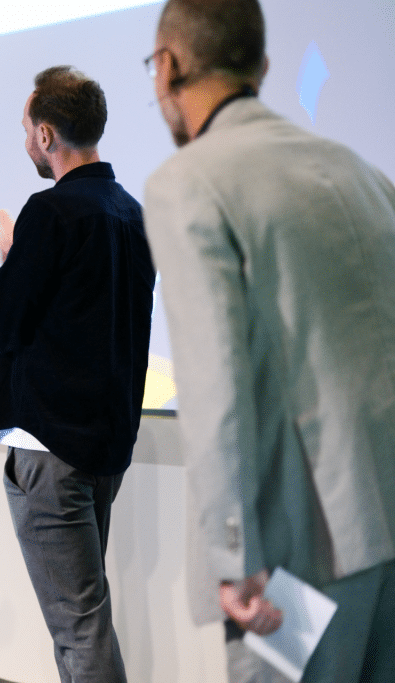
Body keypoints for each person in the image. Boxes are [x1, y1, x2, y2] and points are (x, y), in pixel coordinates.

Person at [143, 1, 395, 681]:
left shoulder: (188, 183)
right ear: (262, 65)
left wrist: (231, 559)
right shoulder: (365, 175)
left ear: (166, 67)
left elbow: (213, 381)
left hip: (295, 565)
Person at [0, 67, 155, 683]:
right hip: (103, 447)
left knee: (79, 627)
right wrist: (12, 263)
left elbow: (2, 323)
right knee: (82, 621)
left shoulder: (51, 211)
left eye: (24, 129)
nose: (24, 140)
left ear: (45, 133)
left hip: (48, 448)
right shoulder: (133, 213)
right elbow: (78, 317)